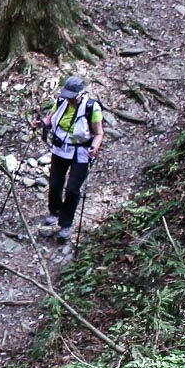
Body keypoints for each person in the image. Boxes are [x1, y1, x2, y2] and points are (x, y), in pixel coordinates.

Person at [36, 74, 103, 245]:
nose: (69, 100)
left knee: (72, 188)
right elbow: (50, 119)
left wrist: (95, 147)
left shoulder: (92, 108)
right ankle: (54, 212)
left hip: (81, 153)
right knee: (55, 183)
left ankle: (65, 224)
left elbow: (98, 133)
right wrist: (41, 123)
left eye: (71, 97)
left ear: (80, 94)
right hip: (60, 149)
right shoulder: (61, 102)